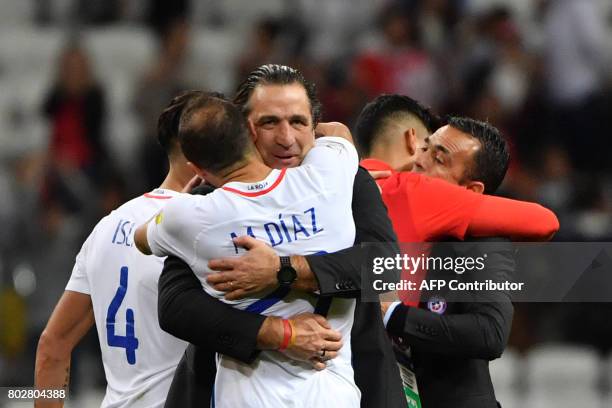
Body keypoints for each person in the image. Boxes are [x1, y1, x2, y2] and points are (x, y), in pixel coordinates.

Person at [157, 65, 406, 408]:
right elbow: (176, 307)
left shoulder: (347, 180)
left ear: (314, 128)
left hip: (352, 384)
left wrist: (283, 269)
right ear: (244, 129)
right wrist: (278, 334)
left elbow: (384, 267)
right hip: (230, 389)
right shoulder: (207, 201)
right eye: (269, 122)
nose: (286, 138)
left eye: (298, 122)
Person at [135, 95, 361, 407]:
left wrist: (181, 206)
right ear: (252, 134)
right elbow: (339, 134)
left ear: (196, 168)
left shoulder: (188, 218)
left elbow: (142, 238)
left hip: (248, 397)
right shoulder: (327, 175)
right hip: (332, 391)